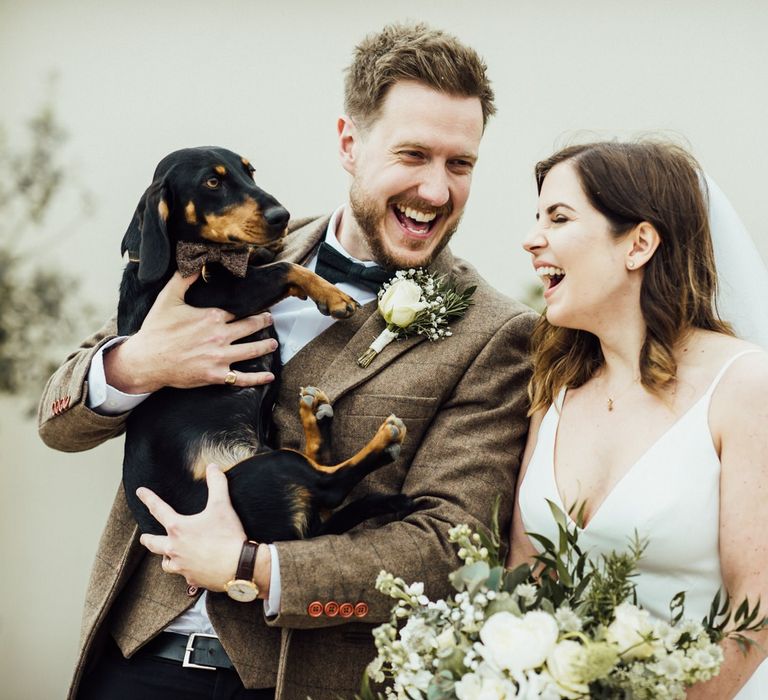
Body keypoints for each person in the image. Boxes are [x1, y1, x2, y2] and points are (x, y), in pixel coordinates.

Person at [38, 22, 538, 700]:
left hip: (296, 682)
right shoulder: (226, 246)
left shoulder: (497, 334)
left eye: (460, 164)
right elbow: (58, 419)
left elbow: (448, 548)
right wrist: (137, 365)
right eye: (413, 154)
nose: (436, 190)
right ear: (349, 143)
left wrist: (256, 565)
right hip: (132, 662)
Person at [508, 141, 768, 698]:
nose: (532, 240)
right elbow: (523, 582)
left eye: (558, 217)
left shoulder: (744, 386)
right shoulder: (555, 389)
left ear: (639, 244)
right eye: (537, 219)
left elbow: (757, 614)